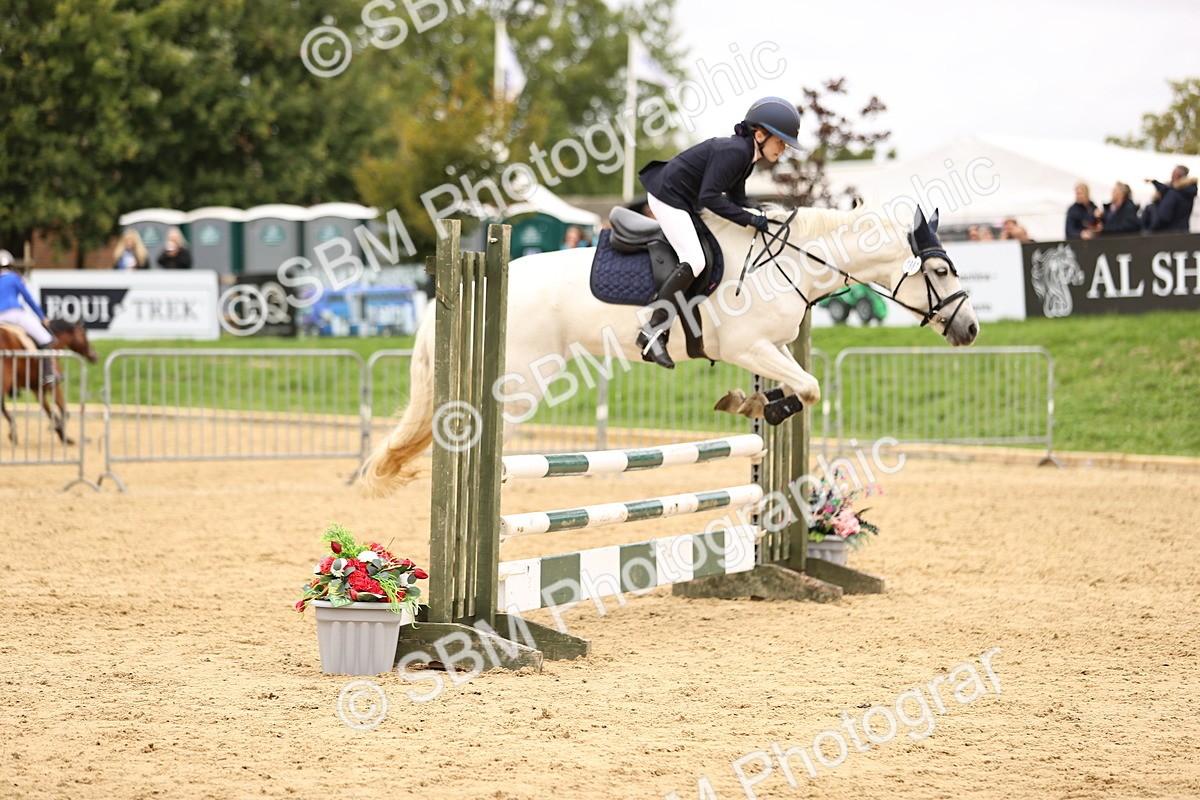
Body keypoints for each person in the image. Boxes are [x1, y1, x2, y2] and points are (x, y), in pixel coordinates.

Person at [635, 96, 800, 368]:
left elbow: (736, 199)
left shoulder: (747, 156)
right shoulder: (736, 152)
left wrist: (764, 216)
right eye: (780, 141)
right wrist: (750, 220)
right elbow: (711, 197)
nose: (783, 149)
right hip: (667, 197)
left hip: (685, 200)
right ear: (759, 135)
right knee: (695, 260)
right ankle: (652, 331)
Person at [0, 249, 54, 353]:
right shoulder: (14, 277)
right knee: (46, 339)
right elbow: (28, 299)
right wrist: (42, 317)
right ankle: (48, 369)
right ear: (10, 265)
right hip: (14, 314)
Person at [1147, 165, 1198, 233]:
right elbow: (1165, 188)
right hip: (1183, 231)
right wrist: (1155, 182)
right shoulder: (1187, 192)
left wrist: (1152, 230)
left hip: (1169, 233)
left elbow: (1164, 216)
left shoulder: (1173, 193)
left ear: (1177, 174)